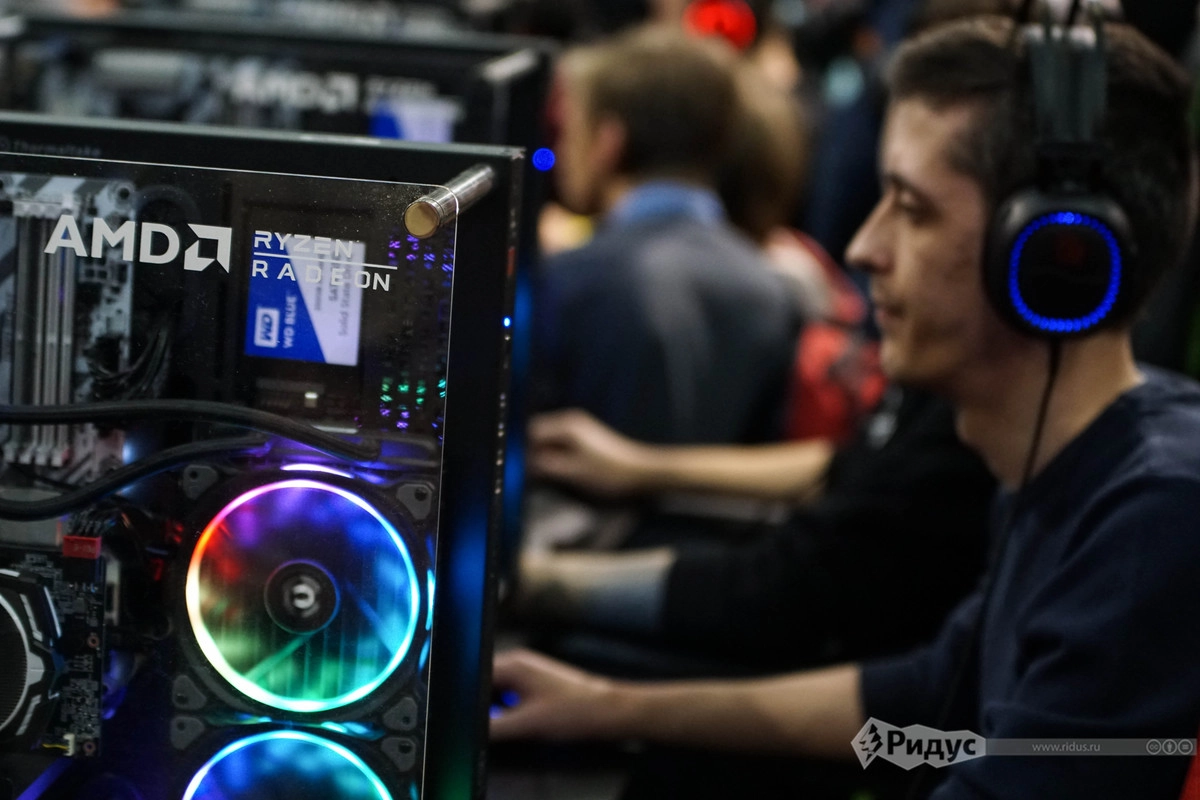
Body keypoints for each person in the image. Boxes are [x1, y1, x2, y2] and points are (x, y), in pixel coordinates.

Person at [494, 14, 1200, 800]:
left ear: (1049, 258)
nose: (865, 248)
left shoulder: (1156, 519)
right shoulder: (1055, 473)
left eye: (913, 209)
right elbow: (925, 706)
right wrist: (609, 707)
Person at [530, 25, 800, 447]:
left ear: (608, 142)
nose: (560, 152)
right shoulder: (774, 292)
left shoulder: (566, 281)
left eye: (568, 131)